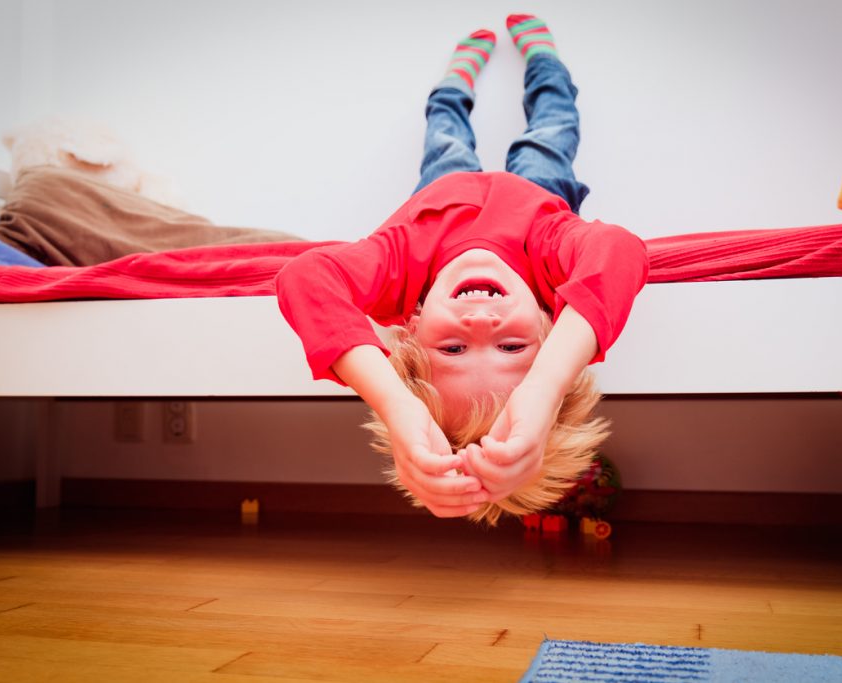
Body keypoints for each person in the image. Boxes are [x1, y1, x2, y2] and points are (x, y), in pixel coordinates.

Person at [275, 15, 649, 524]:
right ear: (549, 320)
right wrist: (545, 388)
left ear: (410, 330)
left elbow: (304, 276)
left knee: (445, 127)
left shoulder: (401, 266)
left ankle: (455, 81)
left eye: (452, 349)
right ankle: (544, 61)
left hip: (441, 190)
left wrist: (396, 405)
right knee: (554, 125)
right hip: (540, 192)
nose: (480, 326)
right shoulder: (549, 258)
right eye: (513, 348)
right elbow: (621, 249)